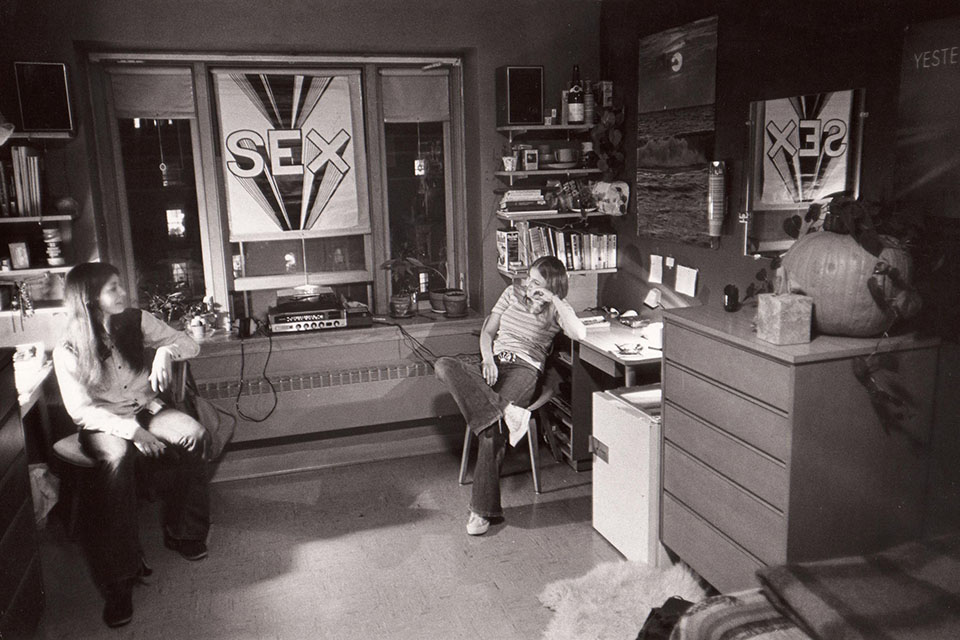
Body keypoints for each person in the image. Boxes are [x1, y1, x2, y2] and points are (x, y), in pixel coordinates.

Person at [53, 262, 211, 628]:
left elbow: (190, 344)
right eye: (113, 288)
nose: (123, 293)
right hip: (104, 423)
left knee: (194, 435)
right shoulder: (68, 348)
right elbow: (81, 413)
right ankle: (120, 579)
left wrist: (165, 352)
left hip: (148, 408)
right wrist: (132, 433)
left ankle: (184, 532)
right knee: (116, 461)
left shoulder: (137, 320)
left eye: (120, 285)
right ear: (90, 299)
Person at [434, 256, 586, 536]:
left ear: (551, 286)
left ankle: (481, 512)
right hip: (494, 361)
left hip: (525, 368)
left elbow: (578, 332)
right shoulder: (510, 293)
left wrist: (554, 299)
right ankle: (507, 411)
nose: (528, 285)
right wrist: (488, 358)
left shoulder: (556, 310)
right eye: (529, 278)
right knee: (444, 364)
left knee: (491, 429)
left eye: (537, 282)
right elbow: (487, 331)